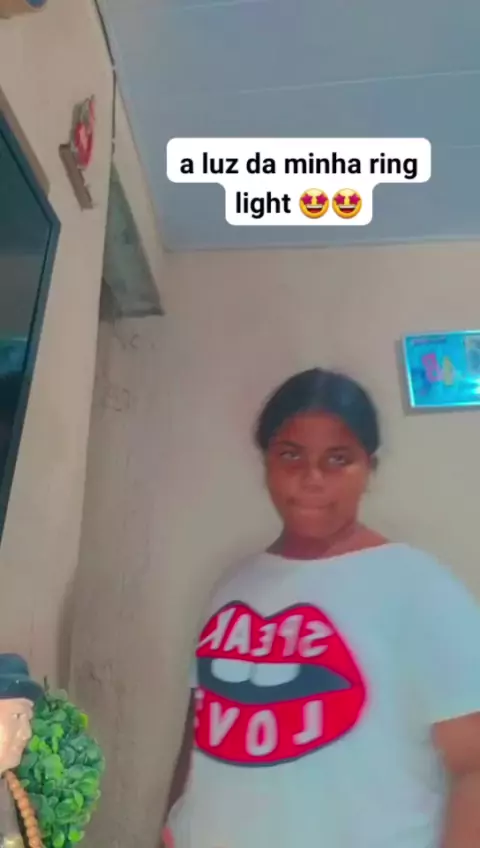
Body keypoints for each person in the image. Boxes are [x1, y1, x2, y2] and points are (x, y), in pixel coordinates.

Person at [162, 367, 480, 848]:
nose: (312, 478)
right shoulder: (235, 584)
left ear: (369, 469)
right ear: (266, 462)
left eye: (338, 459)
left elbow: (474, 765)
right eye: (291, 454)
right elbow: (202, 733)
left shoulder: (418, 588)